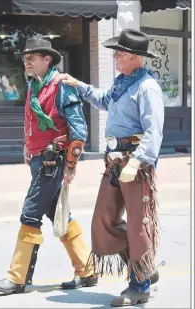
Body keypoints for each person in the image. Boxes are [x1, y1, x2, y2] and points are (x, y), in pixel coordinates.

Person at [55, 29, 164, 306]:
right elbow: (103, 100)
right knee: (104, 220)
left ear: (132, 56)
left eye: (118, 53)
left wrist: (139, 161)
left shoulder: (146, 87)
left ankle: (139, 285)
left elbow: (154, 132)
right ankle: (145, 265)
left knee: (139, 225)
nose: (114, 57)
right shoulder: (123, 83)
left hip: (135, 161)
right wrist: (78, 84)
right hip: (115, 160)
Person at [0, 38, 98, 294]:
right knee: (58, 214)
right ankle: (87, 270)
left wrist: (71, 163)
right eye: (25, 56)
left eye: (32, 56)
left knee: (30, 213)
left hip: (54, 159)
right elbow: (31, 121)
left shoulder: (61, 86)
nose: (27, 60)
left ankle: (18, 278)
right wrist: (27, 145)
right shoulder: (33, 85)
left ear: (47, 59)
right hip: (39, 159)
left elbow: (79, 128)